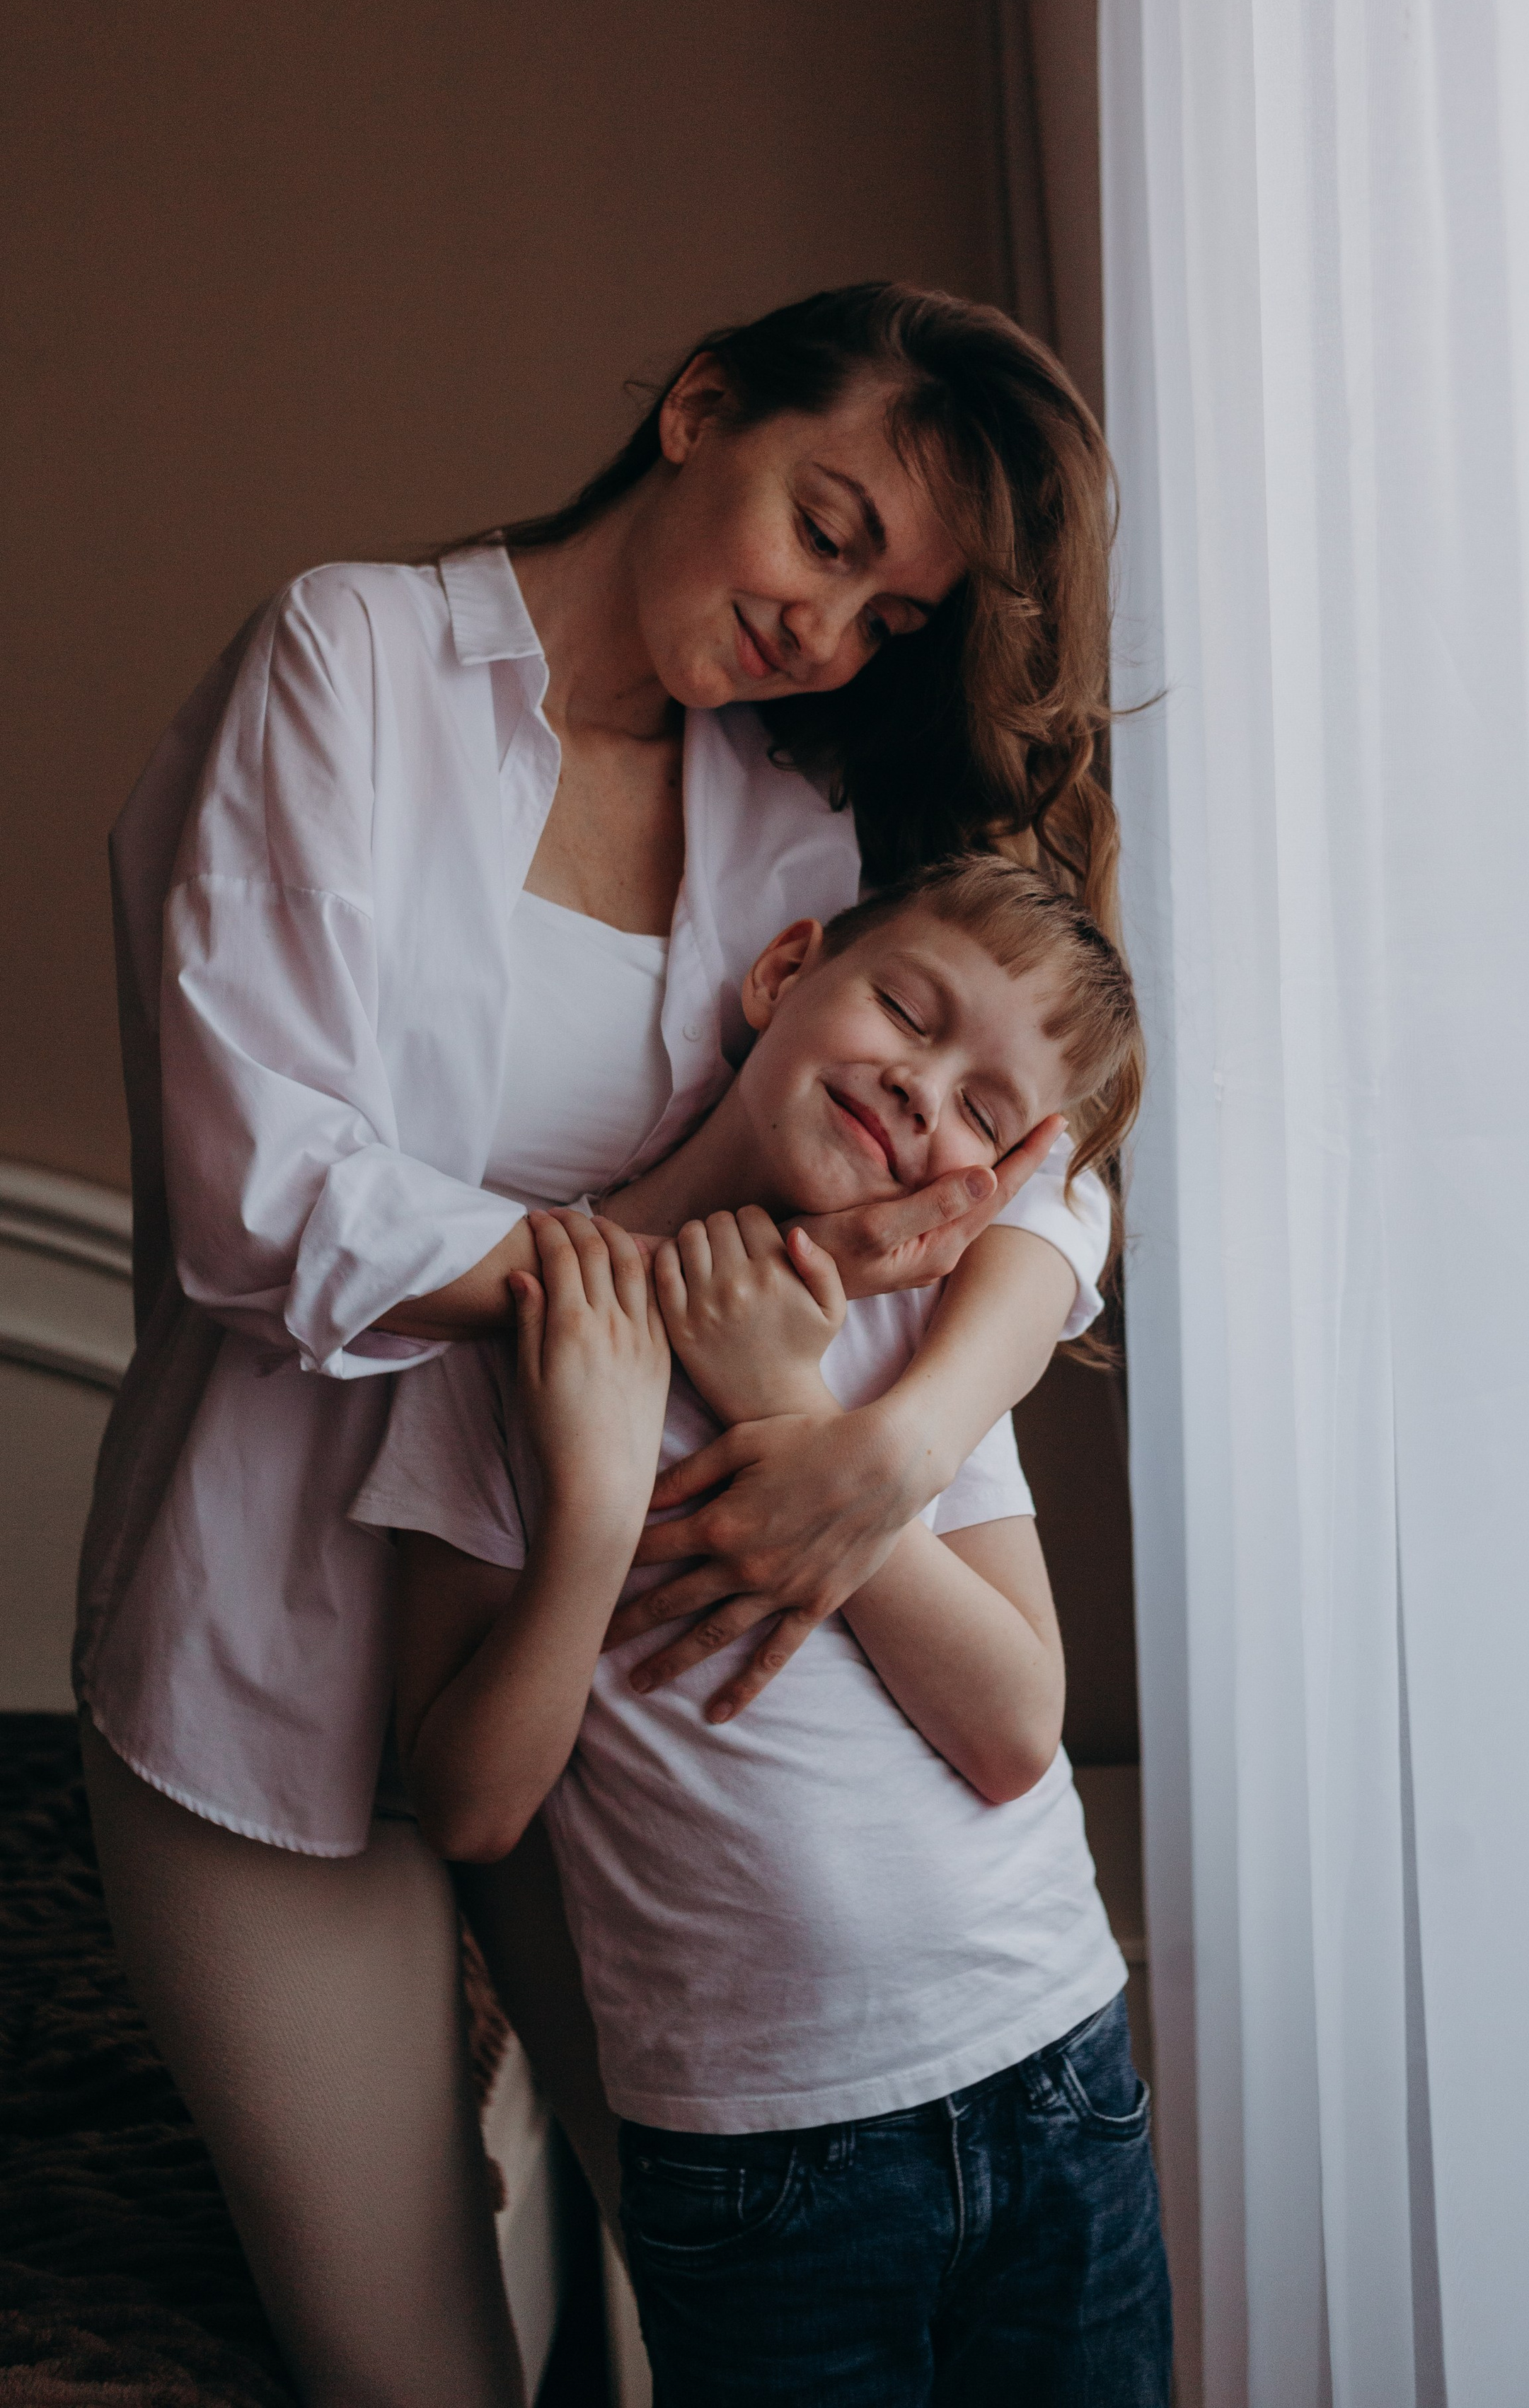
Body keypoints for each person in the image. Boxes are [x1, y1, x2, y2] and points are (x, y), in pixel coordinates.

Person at [74, 285, 1122, 2406]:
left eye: (892, 613)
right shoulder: (351, 662)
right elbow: (257, 1194)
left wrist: (908, 1434)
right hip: (276, 1663)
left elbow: (1040, 1177)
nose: (835, 632)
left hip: (624, 1716)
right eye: (828, 534)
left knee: (742, 2316)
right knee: (417, 2372)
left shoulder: (794, 828)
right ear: (697, 408)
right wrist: (670, 1293)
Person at [354, 857, 1171, 2405]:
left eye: (984, 1113)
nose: (921, 1091)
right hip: (759, 2158)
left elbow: (1010, 1730)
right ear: (782, 968)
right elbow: (467, 1801)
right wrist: (594, 1509)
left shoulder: (926, 1337)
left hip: (1052, 2060)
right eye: (905, 1012)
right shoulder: (523, 1337)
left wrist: (789, 1404)